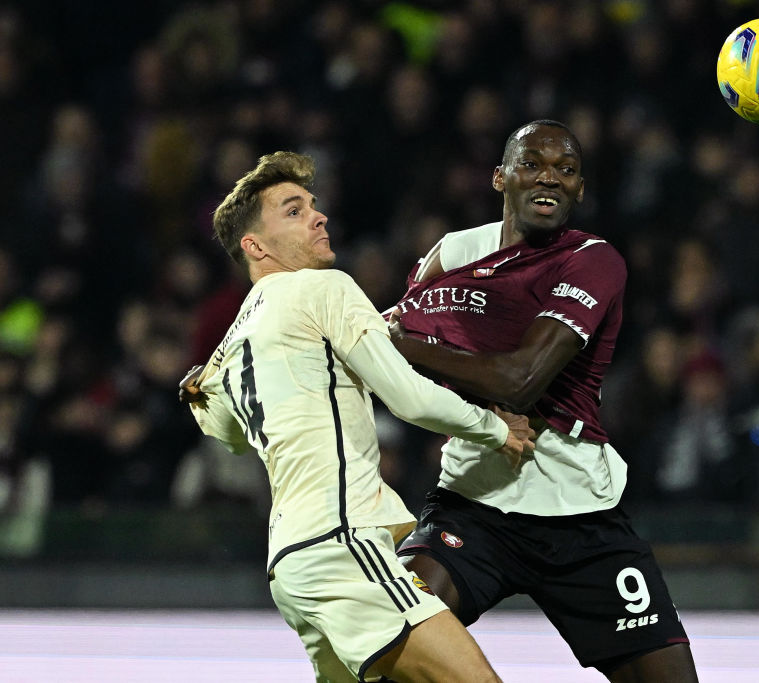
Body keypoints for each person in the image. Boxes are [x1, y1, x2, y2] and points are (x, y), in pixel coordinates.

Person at [178, 151, 537, 683]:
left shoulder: (228, 347)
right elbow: (409, 398)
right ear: (255, 246)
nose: (319, 216)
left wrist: (196, 393)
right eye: (294, 211)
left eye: (313, 206)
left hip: (289, 564)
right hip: (340, 542)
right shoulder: (323, 287)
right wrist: (494, 428)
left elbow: (229, 437)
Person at [388, 121, 699, 681]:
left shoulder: (593, 261)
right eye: (532, 164)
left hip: (576, 511)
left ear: (580, 190)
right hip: (473, 500)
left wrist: (404, 347)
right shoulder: (455, 252)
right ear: (500, 176)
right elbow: (394, 351)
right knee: (393, 628)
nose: (549, 178)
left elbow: (519, 380)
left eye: (567, 169)